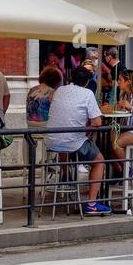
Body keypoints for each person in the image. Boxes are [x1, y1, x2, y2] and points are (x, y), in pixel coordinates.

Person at [46, 65, 111, 215]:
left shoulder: (59, 90)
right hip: (72, 142)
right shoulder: (87, 94)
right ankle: (92, 204)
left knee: (69, 147)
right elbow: (97, 122)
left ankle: (66, 176)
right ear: (87, 82)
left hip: (51, 139)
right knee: (99, 161)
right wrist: (87, 128)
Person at [27, 65, 62, 130]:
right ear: (56, 80)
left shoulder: (32, 90)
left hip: (30, 124)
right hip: (44, 125)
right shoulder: (52, 92)